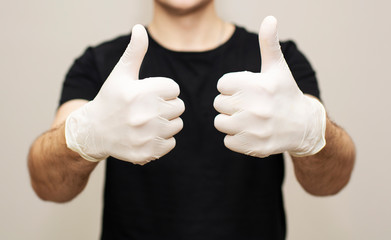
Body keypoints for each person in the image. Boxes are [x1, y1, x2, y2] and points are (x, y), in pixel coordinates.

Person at [28, 0, 356, 239]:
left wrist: (313, 132)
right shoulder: (100, 64)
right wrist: (82, 137)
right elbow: (48, 186)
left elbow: (331, 182)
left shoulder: (278, 64)